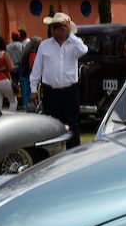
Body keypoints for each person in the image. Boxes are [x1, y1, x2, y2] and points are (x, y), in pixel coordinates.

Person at [31, 12, 87, 147]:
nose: (56, 30)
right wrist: (33, 89)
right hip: (51, 92)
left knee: (72, 124)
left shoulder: (74, 45)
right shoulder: (44, 45)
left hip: (70, 92)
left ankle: (74, 154)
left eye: (59, 26)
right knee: (51, 125)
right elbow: (37, 69)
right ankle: (52, 153)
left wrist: (70, 34)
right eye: (53, 27)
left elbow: (84, 50)